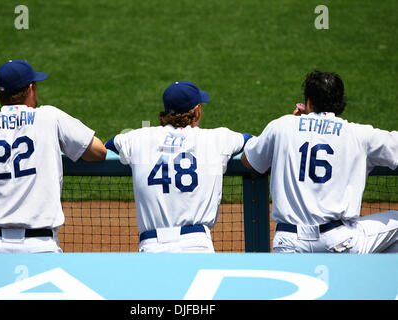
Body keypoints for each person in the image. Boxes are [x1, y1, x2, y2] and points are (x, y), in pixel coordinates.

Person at [0, 60, 107, 253]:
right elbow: (99, 152)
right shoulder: (50, 117)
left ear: (1, 94)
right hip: (41, 248)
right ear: (31, 88)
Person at [241, 70, 398, 253]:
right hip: (338, 242)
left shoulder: (282, 126)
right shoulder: (359, 134)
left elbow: (248, 162)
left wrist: (295, 128)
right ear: (340, 103)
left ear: (308, 102)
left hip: (289, 243)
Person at [105, 81, 252, 252]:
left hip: (152, 246)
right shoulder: (218, 138)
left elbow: (106, 148)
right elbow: (256, 143)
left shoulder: (136, 138)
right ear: (197, 110)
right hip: (197, 245)